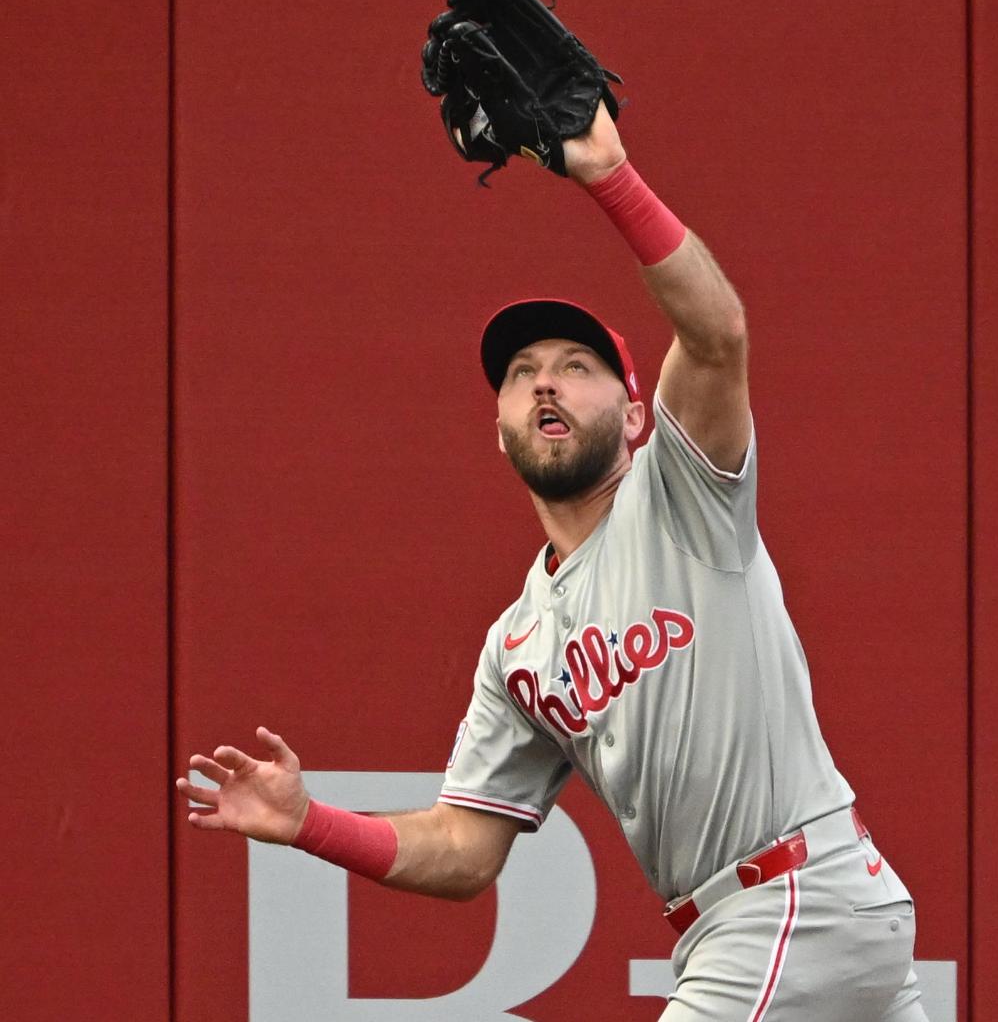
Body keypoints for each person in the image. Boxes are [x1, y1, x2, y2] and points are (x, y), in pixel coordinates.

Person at [175, 103, 928, 1021]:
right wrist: (308, 825)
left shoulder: (681, 495)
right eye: (522, 371)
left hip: (790, 901)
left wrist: (609, 175)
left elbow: (719, 333)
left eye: (577, 365)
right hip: (777, 918)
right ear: (498, 431)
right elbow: (464, 851)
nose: (544, 381)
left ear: (638, 413)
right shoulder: (519, 646)